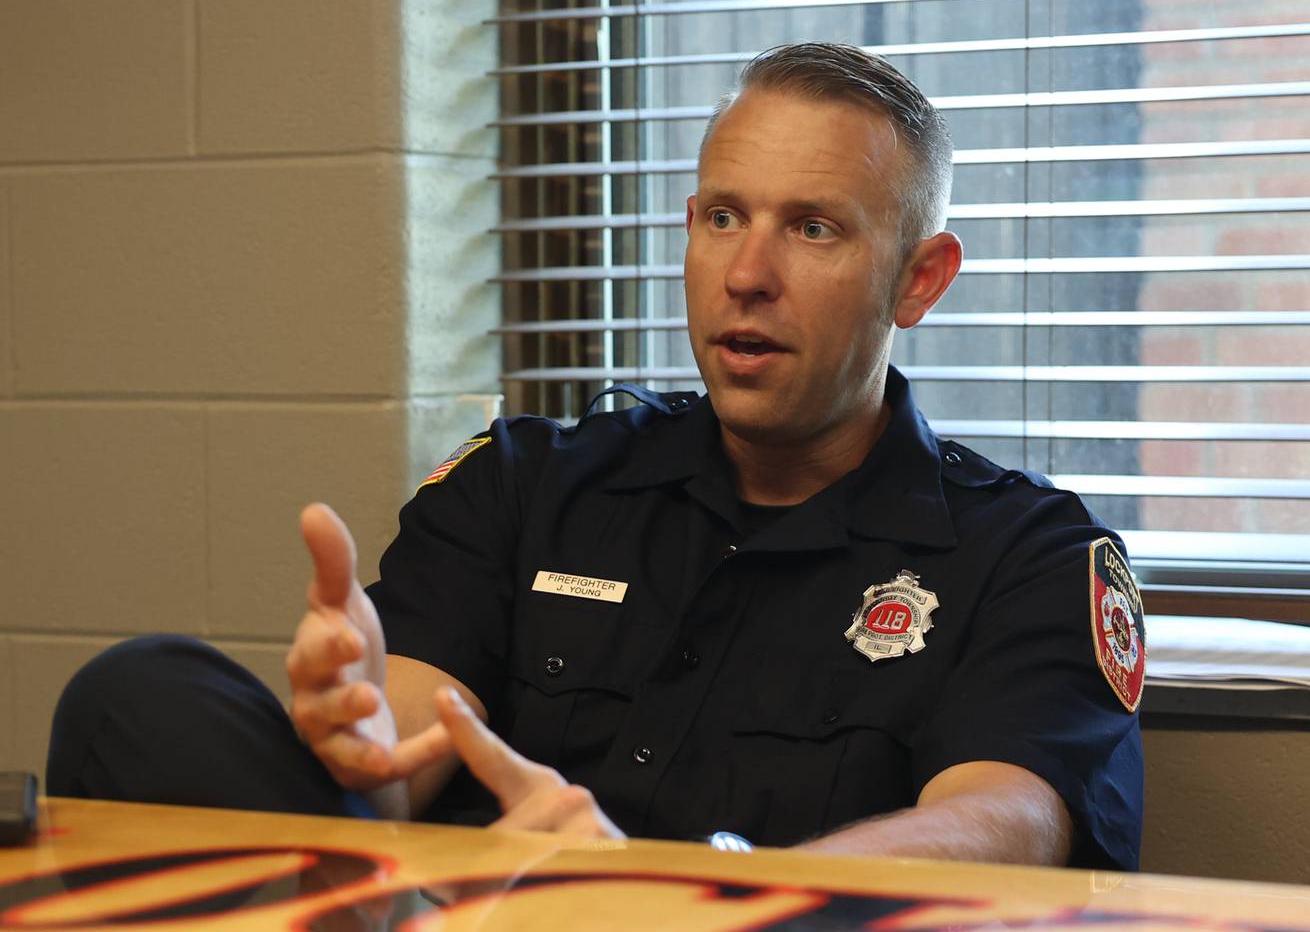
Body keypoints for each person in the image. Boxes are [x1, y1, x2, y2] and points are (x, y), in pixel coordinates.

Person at [47, 42, 1143, 871]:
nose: (746, 273)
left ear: (919, 279)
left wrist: (680, 899)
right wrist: (357, 736)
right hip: (450, 914)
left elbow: (1008, 822)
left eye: (813, 229)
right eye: (722, 216)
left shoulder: (1027, 555)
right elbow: (394, 769)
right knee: (138, 697)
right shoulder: (530, 481)